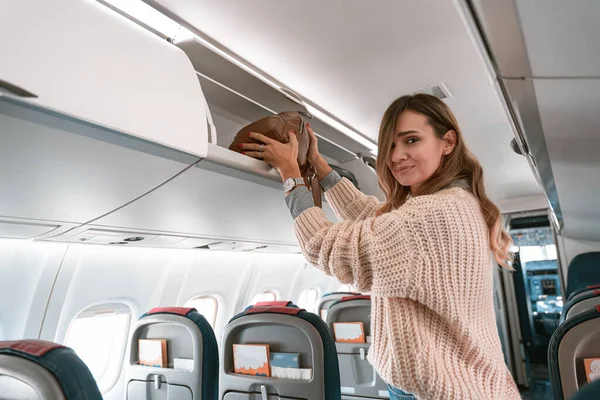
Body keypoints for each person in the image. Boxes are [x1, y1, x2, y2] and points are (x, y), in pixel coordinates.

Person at [241, 93, 521, 399]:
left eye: (411, 140)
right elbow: (373, 218)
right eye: (390, 145)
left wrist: (292, 177)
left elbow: (324, 246)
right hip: (456, 384)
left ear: (448, 142)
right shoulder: (452, 203)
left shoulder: (431, 215)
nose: (396, 156)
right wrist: (317, 164)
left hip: (440, 391)